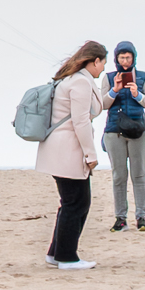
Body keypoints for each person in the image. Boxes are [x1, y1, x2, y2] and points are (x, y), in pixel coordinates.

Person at [36, 41, 107, 270]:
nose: (103, 69)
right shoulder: (80, 81)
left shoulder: (69, 79)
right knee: (77, 203)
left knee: (70, 202)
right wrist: (90, 154)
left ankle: (55, 253)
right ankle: (67, 257)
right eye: (103, 64)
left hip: (59, 148)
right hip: (68, 149)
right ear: (95, 60)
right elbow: (80, 120)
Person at [101, 42, 145, 232]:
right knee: (119, 175)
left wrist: (137, 94)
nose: (125, 61)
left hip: (138, 130)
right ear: (116, 59)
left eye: (128, 57)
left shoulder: (143, 77)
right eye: (121, 57)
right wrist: (114, 90)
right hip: (114, 130)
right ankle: (120, 218)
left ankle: (141, 218)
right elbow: (102, 104)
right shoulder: (109, 77)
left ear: (134, 58)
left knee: (138, 174)